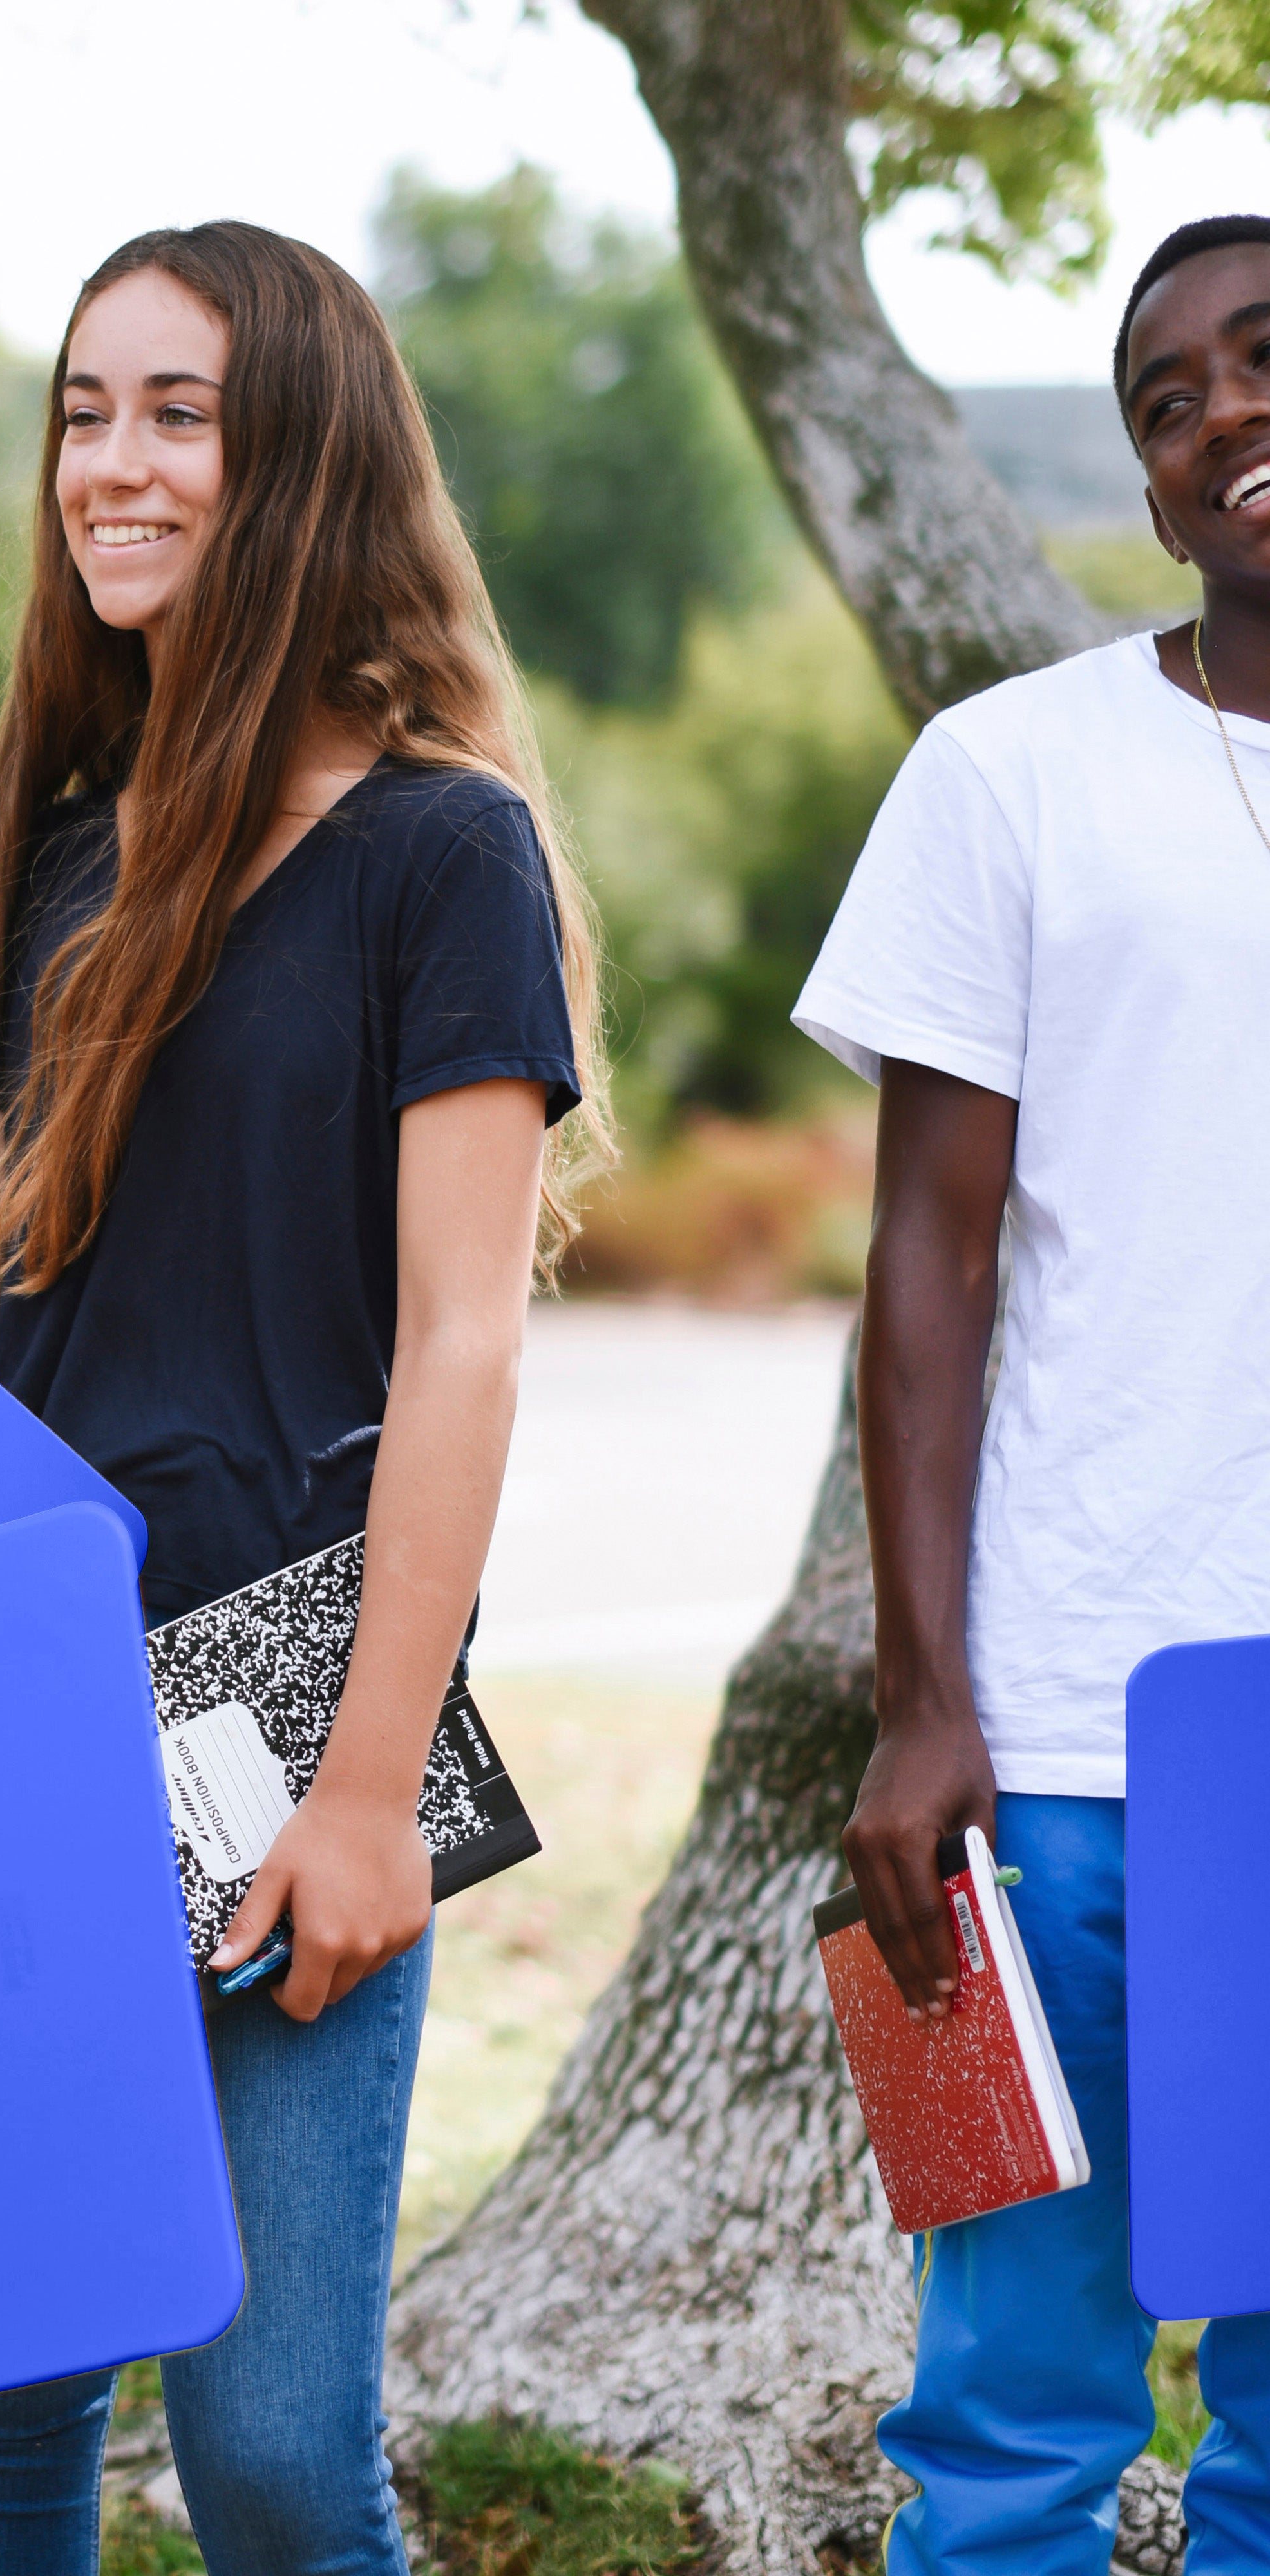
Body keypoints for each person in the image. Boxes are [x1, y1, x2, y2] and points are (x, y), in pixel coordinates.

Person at [0, 221, 603, 2575]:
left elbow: (466, 1338)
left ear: (300, 460)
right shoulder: (61, 856)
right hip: (15, 1684)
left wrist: (374, 1786)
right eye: (84, 410)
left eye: (176, 409)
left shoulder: (440, 853)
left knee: (276, 2460)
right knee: (0, 2425)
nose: (111, 463)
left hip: (286, 1693)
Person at [794, 213, 1270, 2574]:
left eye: (1262, 357)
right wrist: (916, 1702)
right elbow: (926, 1262)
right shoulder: (1009, 776)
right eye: (1167, 400)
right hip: (1056, 1741)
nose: (1222, 414)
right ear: (1155, 489)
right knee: (1010, 2412)